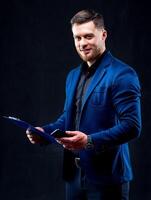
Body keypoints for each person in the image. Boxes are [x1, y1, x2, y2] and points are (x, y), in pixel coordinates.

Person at [26, 9, 141, 200]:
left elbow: (132, 126)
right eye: (77, 38)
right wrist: (43, 133)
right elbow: (68, 118)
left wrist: (89, 141)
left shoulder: (123, 74)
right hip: (74, 178)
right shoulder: (72, 76)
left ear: (103, 35)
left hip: (108, 179)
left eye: (88, 36)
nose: (82, 44)